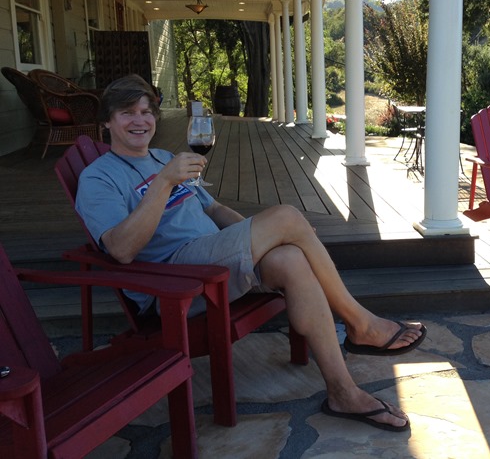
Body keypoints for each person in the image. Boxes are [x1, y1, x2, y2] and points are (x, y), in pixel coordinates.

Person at [75, 75, 426, 432]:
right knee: (287, 216)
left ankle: (342, 392)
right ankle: (360, 324)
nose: (140, 120)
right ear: (107, 122)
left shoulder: (163, 158)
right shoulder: (98, 178)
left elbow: (213, 209)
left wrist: (263, 237)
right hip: (176, 280)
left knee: (291, 257)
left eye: (146, 111)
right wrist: (164, 182)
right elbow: (121, 250)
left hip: (215, 260)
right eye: (127, 113)